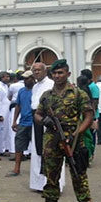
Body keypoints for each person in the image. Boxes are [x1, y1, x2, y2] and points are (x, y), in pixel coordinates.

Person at [34, 59, 94, 202]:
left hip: (73, 141)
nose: (57, 76)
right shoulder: (46, 95)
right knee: (51, 177)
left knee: (79, 177)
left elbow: (88, 116)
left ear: (68, 74)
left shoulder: (78, 94)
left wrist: (77, 134)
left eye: (61, 73)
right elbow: (37, 114)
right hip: (52, 141)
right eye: (55, 73)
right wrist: (43, 120)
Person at [30, 62, 64, 192]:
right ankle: (39, 184)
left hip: (48, 120)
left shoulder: (51, 84)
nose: (36, 72)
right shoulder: (35, 86)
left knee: (50, 152)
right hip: (37, 119)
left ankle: (53, 184)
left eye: (39, 70)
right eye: (34, 70)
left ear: (45, 71)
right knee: (38, 152)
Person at [7, 70, 35, 176]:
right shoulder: (21, 91)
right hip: (23, 122)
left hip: (34, 123)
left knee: (37, 148)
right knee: (19, 147)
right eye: (25, 78)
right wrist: (14, 121)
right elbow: (18, 106)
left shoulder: (37, 90)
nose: (26, 80)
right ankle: (16, 169)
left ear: (33, 79)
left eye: (28, 78)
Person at [0, 71, 11, 155]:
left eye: (8, 77)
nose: (8, 78)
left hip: (6, 110)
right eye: (6, 77)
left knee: (6, 130)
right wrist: (0, 114)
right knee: (1, 130)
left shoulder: (6, 86)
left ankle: (6, 147)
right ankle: (1, 149)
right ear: (2, 78)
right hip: (2, 111)